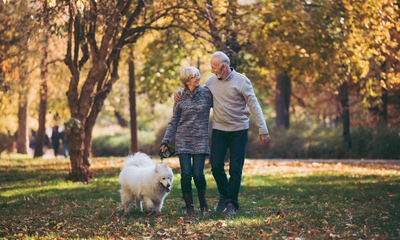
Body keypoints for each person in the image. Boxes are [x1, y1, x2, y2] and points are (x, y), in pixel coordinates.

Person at [174, 51, 270, 215]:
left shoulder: (242, 81)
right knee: (216, 166)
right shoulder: (211, 82)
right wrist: (179, 92)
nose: (211, 70)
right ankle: (225, 194)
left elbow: (254, 106)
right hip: (219, 130)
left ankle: (232, 202)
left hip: (238, 131)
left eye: (213, 67)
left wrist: (263, 130)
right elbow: (196, 94)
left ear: (223, 67)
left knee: (235, 169)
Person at [160, 66, 213, 216]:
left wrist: (241, 111)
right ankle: (190, 206)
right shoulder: (180, 97)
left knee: (198, 174)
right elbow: (173, 121)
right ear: (186, 81)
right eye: (194, 76)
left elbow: (222, 106)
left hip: (200, 140)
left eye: (197, 74)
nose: (198, 77)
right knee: (186, 174)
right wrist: (165, 141)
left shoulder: (207, 94)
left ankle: (203, 201)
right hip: (183, 140)